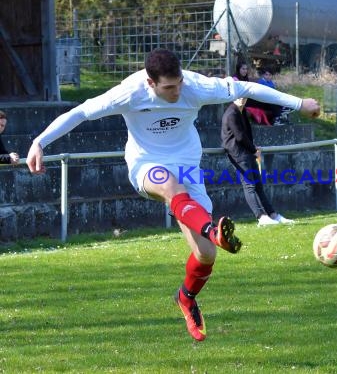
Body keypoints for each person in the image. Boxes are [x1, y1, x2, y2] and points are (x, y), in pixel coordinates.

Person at [26, 48, 320, 342]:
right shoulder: (130, 92)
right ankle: (211, 227)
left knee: (206, 255)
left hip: (188, 167)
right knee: (170, 187)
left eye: (178, 82)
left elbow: (246, 87)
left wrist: (299, 103)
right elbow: (80, 112)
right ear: (150, 83)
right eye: (169, 87)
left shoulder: (194, 85)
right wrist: (40, 142)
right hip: (146, 165)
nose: (177, 90)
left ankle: (186, 297)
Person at [221, 97, 294, 226]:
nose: (242, 99)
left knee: (258, 186)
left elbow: (246, 134)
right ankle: (261, 217)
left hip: (247, 152)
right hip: (238, 154)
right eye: (239, 96)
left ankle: (273, 215)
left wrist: (253, 149)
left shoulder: (241, 111)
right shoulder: (232, 113)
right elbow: (239, 136)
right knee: (250, 186)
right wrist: (254, 149)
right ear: (233, 97)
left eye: (244, 96)